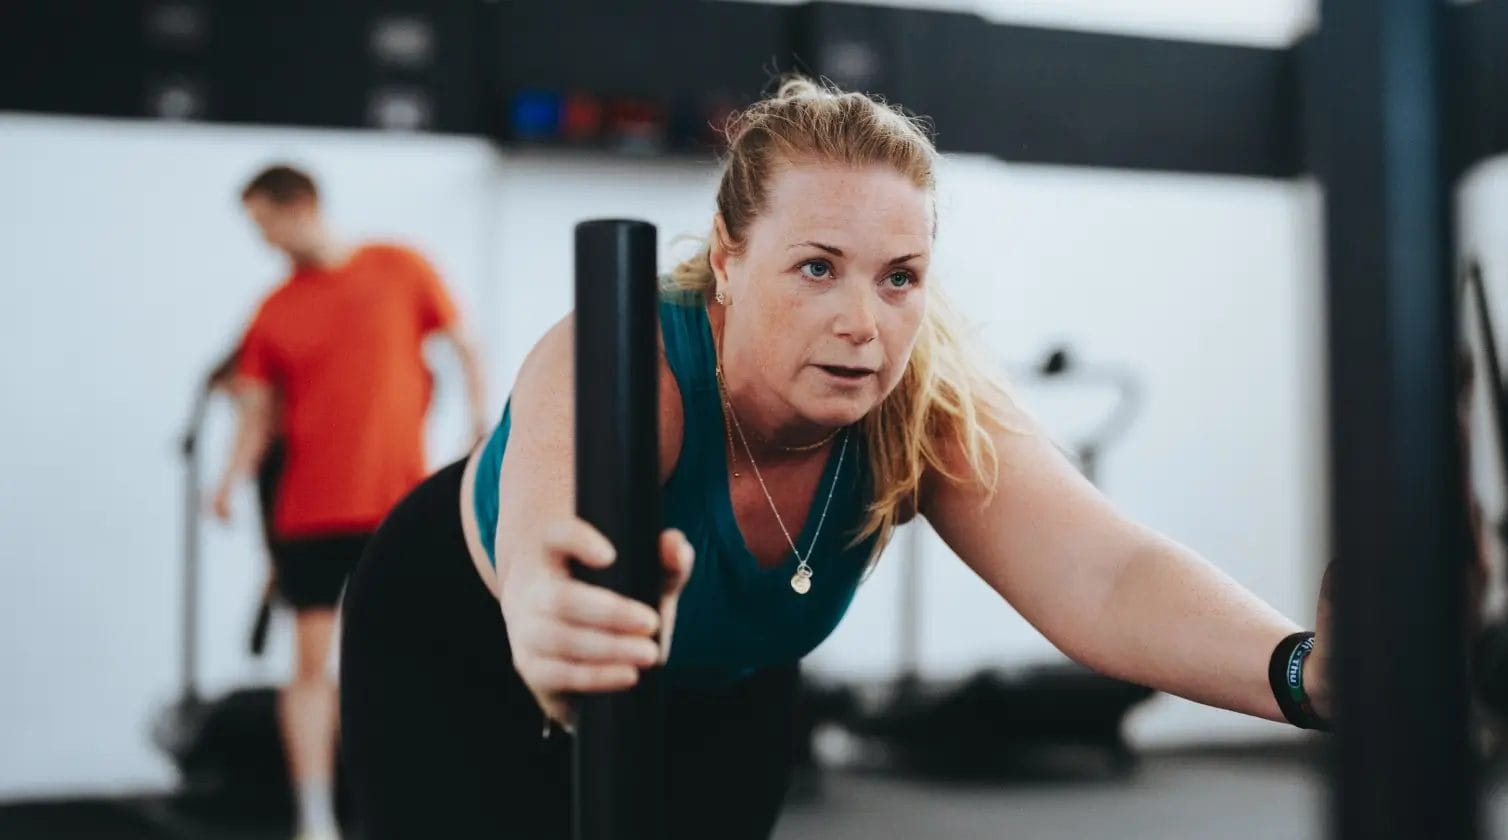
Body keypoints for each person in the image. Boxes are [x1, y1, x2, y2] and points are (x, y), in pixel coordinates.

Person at [338, 78, 1332, 839]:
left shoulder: (922, 397)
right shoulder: (631, 357)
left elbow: (1104, 576)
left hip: (723, 685)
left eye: (900, 278)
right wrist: (550, 606)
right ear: (729, 258)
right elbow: (546, 525)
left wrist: (1304, 673)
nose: (864, 323)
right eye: (818, 268)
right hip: (459, 645)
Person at [213, 164, 489, 840]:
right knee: (309, 667)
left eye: (265, 222)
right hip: (307, 515)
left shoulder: (399, 267)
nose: (266, 240)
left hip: (392, 504)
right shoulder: (274, 310)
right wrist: (226, 481)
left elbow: (461, 343)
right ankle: (314, 818)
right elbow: (255, 412)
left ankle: (420, 804)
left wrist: (480, 424)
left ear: (299, 206)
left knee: (413, 655)